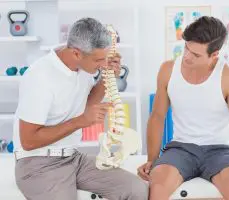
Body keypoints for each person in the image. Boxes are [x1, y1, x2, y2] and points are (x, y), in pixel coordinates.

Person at [13, 17, 148, 200]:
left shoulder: (83, 68)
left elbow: (88, 104)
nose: (102, 64)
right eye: (98, 60)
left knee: (137, 189)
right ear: (76, 53)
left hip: (73, 158)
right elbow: (28, 140)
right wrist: (80, 122)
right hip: (37, 165)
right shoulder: (40, 77)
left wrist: (105, 76)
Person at [138, 16, 229, 200]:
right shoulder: (167, 70)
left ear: (214, 54)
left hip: (220, 150)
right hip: (181, 148)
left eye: (196, 55)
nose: (187, 57)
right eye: (186, 48)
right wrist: (152, 159)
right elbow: (157, 116)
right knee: (156, 187)